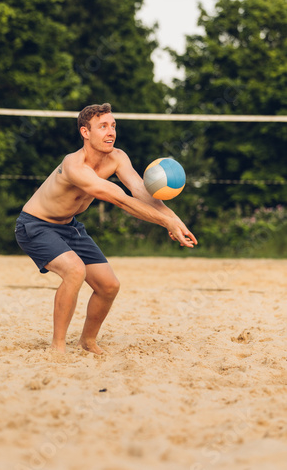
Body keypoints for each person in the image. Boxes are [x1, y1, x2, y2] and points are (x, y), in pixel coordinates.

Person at [15, 103, 197, 355]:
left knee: (109, 286)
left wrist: (175, 219)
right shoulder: (74, 165)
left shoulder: (118, 157)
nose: (110, 132)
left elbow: (140, 191)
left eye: (113, 126)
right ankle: (57, 347)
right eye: (102, 127)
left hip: (69, 226)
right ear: (85, 132)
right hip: (35, 224)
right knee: (74, 270)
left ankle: (87, 341)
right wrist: (165, 222)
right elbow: (121, 199)